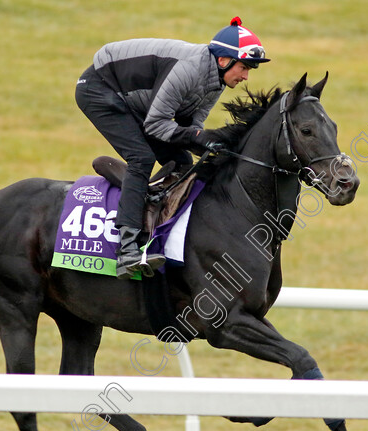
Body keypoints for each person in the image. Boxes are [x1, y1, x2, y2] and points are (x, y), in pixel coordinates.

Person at [75, 17, 270, 279]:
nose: (245, 77)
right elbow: (157, 125)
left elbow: (191, 131)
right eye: (244, 67)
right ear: (224, 60)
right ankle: (127, 250)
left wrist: (214, 148)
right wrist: (200, 137)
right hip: (99, 89)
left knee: (182, 161)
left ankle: (155, 223)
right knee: (141, 158)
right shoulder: (189, 69)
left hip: (135, 100)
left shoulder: (216, 81)